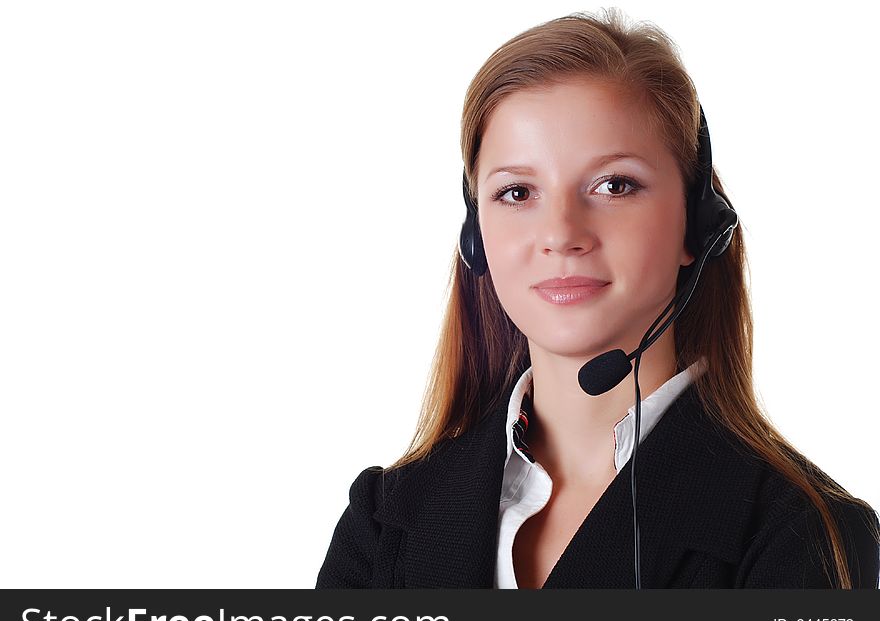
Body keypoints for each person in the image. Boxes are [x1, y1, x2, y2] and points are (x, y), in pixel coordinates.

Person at [315, 8, 880, 589]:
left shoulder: (801, 532)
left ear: (696, 227)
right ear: (475, 236)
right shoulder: (385, 523)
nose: (561, 233)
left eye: (614, 185)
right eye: (516, 192)